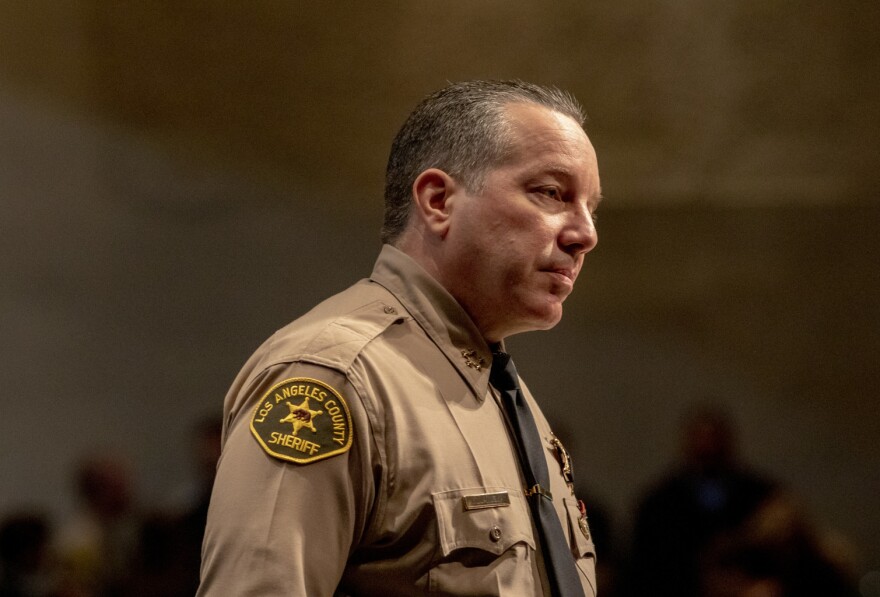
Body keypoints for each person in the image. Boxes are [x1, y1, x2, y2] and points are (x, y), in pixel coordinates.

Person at [199, 80, 603, 596]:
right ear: (438, 201)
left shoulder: (499, 389)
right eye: (551, 193)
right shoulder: (335, 375)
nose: (585, 234)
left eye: (591, 208)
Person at [627, 406, 775, 597]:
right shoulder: (659, 505)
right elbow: (647, 567)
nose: (709, 448)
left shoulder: (760, 497)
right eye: (702, 444)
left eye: (715, 442)